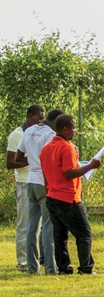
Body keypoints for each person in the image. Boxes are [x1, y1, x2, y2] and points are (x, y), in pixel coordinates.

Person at [40, 114, 100, 274]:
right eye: (73, 127)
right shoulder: (66, 148)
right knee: (84, 234)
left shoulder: (47, 147)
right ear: (65, 129)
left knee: (60, 236)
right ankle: (85, 268)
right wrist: (91, 166)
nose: (75, 131)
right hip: (68, 198)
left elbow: (48, 172)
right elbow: (69, 173)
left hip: (52, 196)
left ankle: (63, 268)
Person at [16, 109, 64, 274]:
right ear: (56, 121)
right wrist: (48, 183)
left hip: (30, 181)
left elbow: (18, 157)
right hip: (43, 182)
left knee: (32, 226)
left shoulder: (29, 131)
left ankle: (32, 267)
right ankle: (51, 267)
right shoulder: (49, 135)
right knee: (48, 226)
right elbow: (48, 160)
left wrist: (32, 161)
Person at [6, 104, 45, 271]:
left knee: (39, 224)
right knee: (25, 223)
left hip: (38, 182)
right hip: (23, 182)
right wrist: (31, 161)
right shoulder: (17, 135)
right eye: (39, 118)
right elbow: (10, 163)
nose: (41, 121)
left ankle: (36, 258)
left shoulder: (38, 134)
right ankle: (22, 260)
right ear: (29, 117)